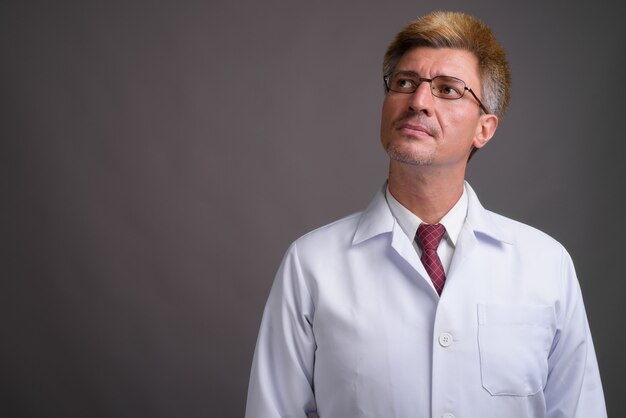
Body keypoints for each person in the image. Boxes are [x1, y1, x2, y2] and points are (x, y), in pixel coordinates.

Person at [245, 11, 607, 418]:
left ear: (484, 128)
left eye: (448, 89)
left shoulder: (546, 264)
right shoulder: (311, 265)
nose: (418, 102)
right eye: (404, 83)